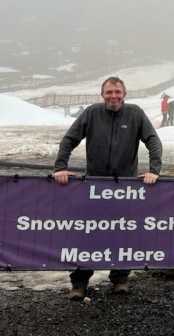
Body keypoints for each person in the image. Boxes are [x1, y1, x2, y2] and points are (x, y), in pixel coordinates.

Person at [53, 76, 162, 300]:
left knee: (123, 233)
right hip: (94, 187)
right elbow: (69, 140)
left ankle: (120, 279)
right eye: (109, 92)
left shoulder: (135, 113)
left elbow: (153, 140)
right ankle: (80, 282)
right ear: (102, 94)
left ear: (125, 94)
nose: (113, 96)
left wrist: (154, 170)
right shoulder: (92, 113)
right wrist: (60, 168)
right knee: (87, 234)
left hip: (125, 188)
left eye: (117, 92)